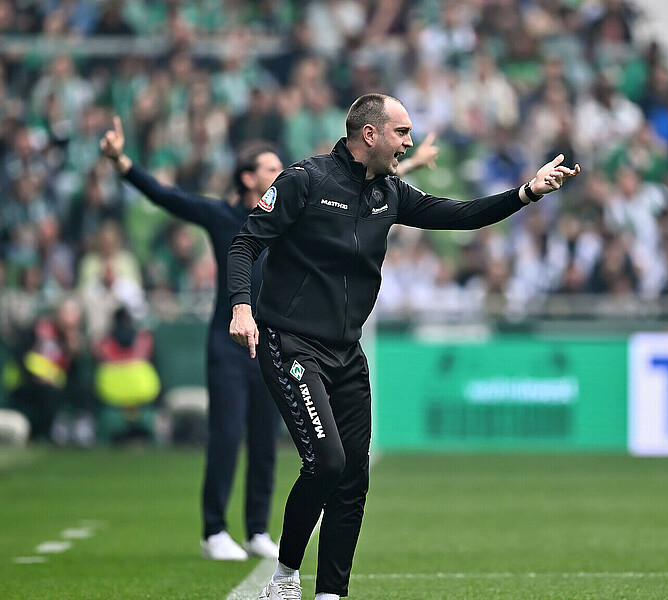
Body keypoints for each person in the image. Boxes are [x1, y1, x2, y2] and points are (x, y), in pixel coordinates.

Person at [227, 93, 579, 600]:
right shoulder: (304, 180)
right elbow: (245, 243)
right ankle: (283, 578)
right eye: (401, 132)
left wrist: (526, 192)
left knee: (353, 480)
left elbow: (461, 215)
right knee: (326, 462)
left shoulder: (389, 193)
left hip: (346, 354)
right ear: (369, 134)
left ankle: (331, 594)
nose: (409, 142)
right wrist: (242, 305)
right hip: (292, 344)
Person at [100, 116, 283, 561]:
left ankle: (257, 529)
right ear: (248, 177)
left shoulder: (285, 220)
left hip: (271, 346)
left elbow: (342, 203)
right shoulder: (222, 216)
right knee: (225, 436)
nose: (282, 175)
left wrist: (400, 173)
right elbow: (168, 197)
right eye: (272, 169)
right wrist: (122, 162)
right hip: (227, 346)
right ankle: (213, 531)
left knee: (264, 440)